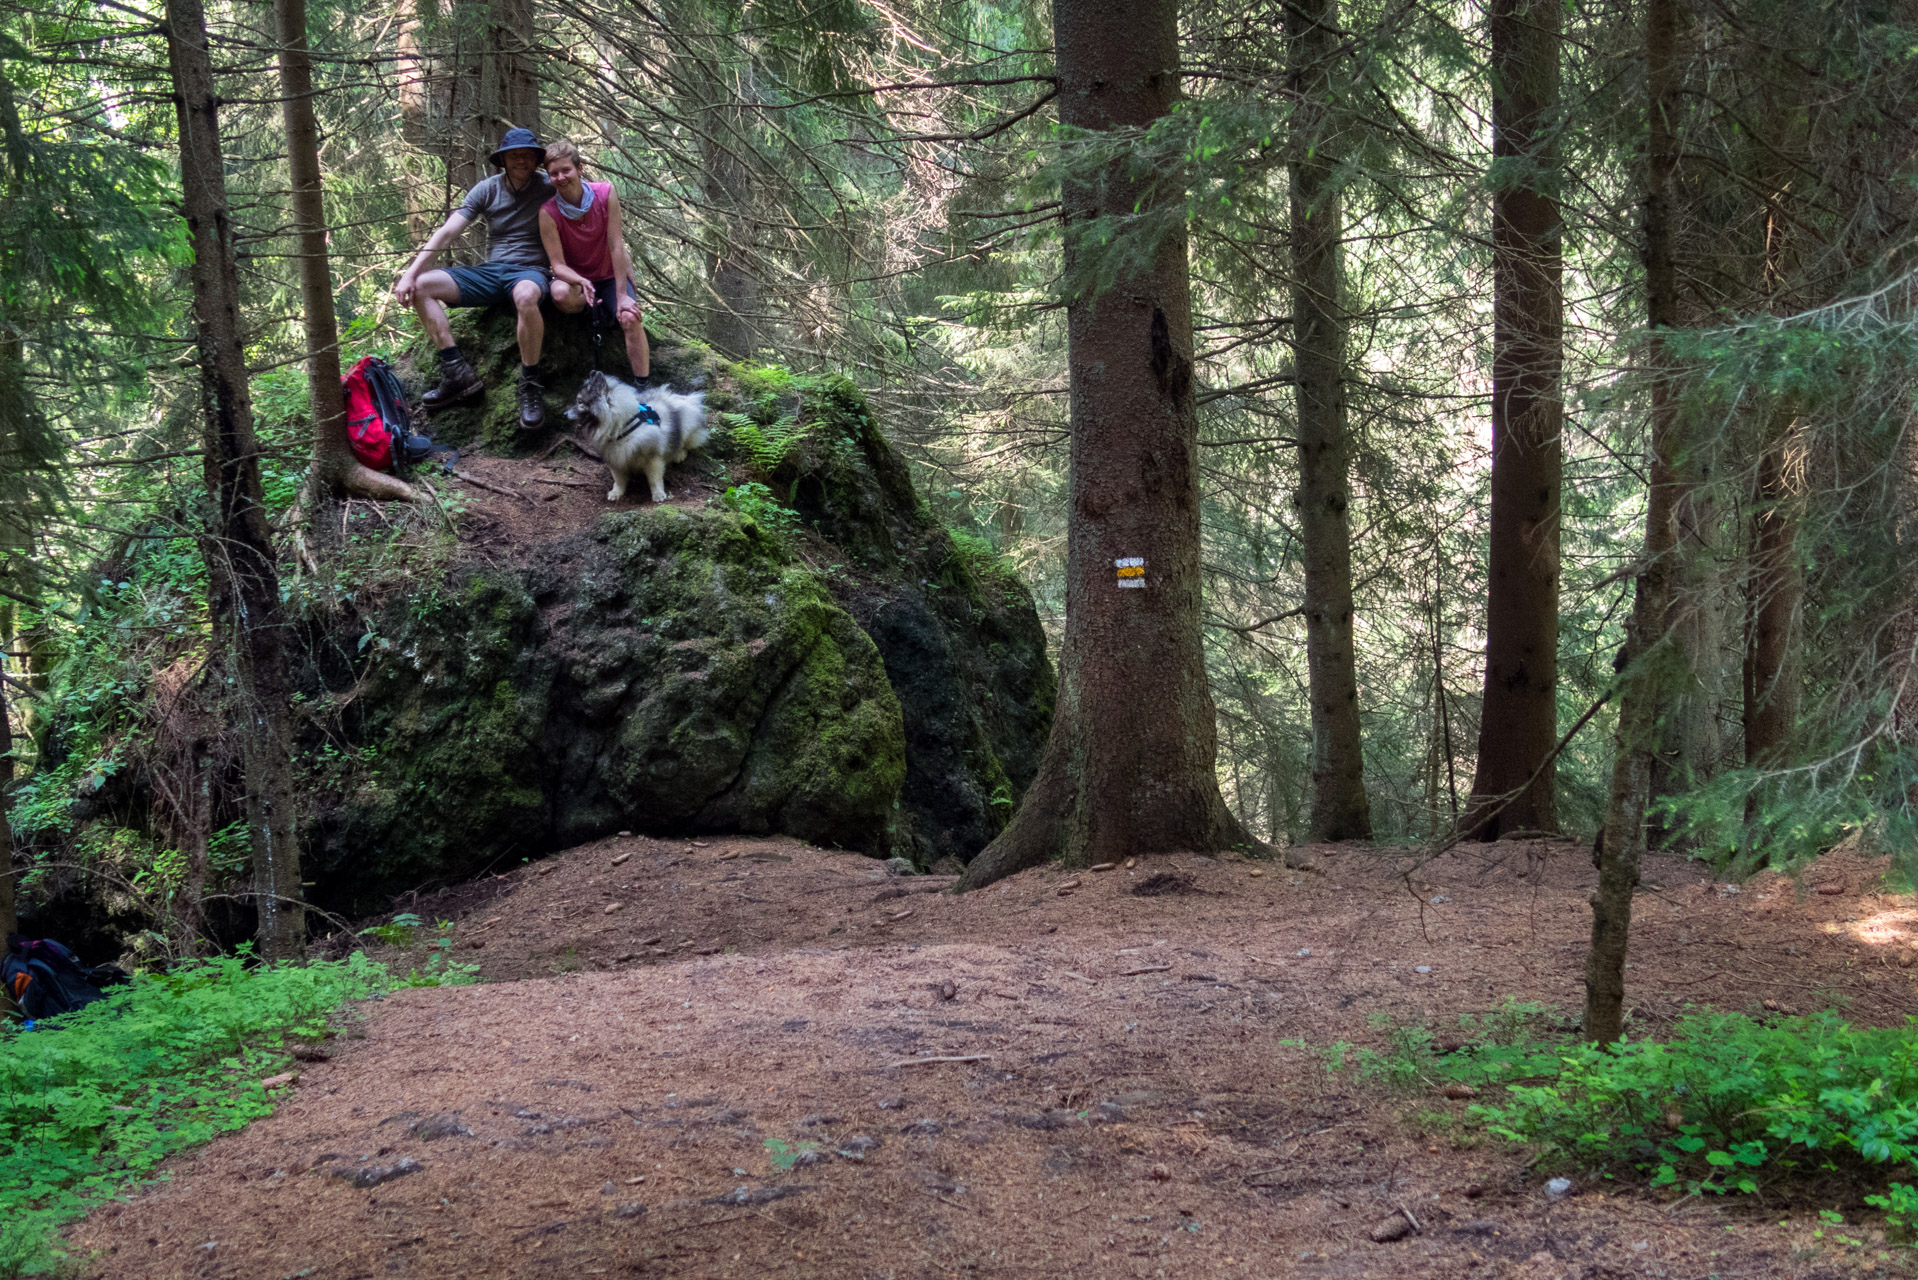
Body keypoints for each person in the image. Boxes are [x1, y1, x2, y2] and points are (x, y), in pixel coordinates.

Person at [392, 127, 557, 430]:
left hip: (531, 271)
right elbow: (447, 232)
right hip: (491, 272)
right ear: (503, 160)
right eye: (514, 155)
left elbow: (583, 202)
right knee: (422, 287)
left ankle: (530, 384)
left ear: (537, 159)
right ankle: (457, 372)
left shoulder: (549, 186)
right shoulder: (487, 189)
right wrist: (410, 274)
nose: (522, 160)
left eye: (528, 155)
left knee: (525, 296)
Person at [537, 140, 651, 383]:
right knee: (559, 293)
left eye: (566, 170)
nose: (561, 177)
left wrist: (622, 295)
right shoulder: (548, 213)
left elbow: (616, 245)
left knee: (630, 316)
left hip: (610, 276)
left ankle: (643, 383)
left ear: (579, 169)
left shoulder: (605, 193)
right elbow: (557, 265)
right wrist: (581, 281)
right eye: (553, 173)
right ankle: (590, 313)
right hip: (576, 281)